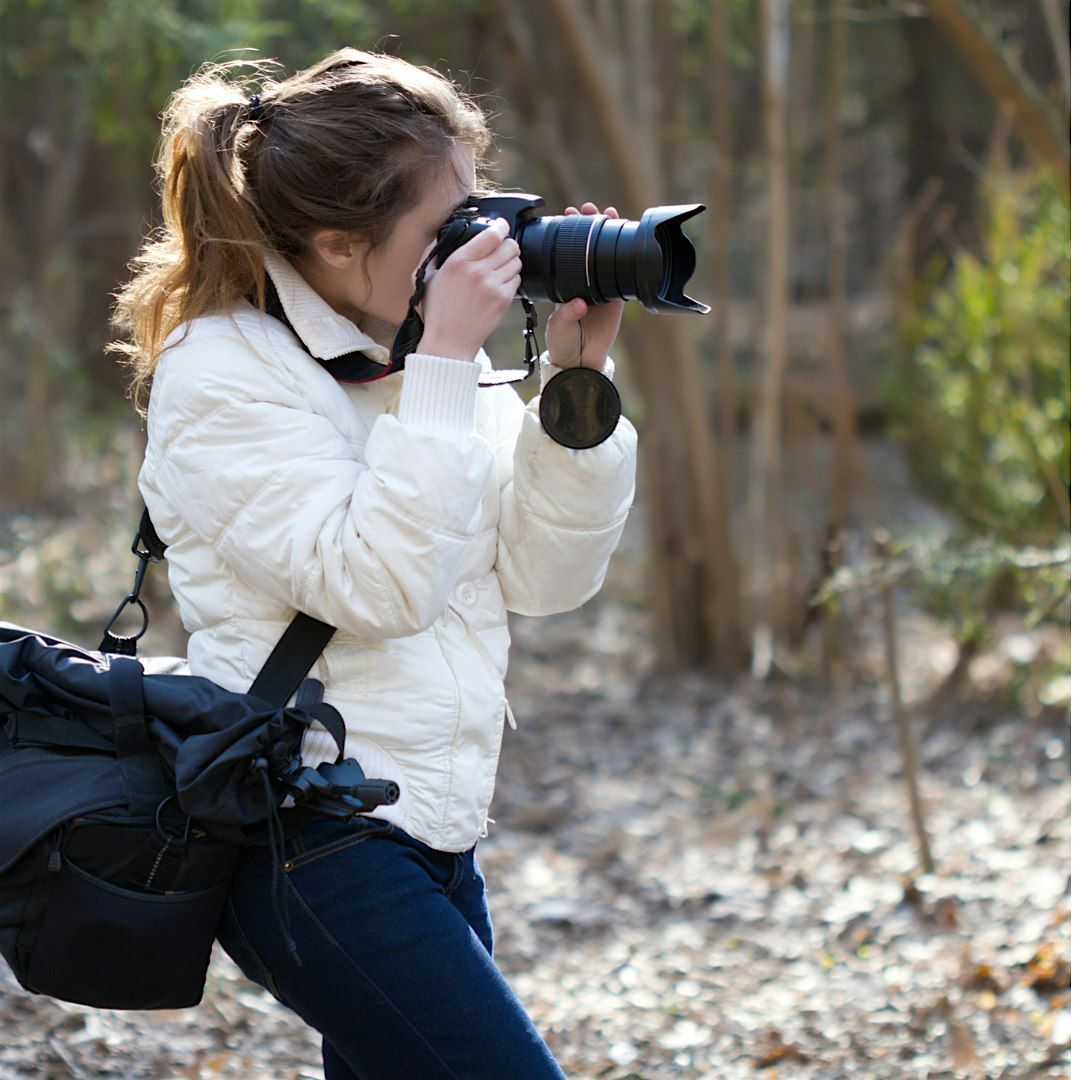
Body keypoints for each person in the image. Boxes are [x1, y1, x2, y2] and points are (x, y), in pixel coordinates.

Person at [108, 47, 637, 1079]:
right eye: (446, 231)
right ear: (339, 245)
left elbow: (543, 581)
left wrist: (578, 385)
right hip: (304, 836)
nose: (480, 249)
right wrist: (442, 362)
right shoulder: (224, 375)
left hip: (435, 823)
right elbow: (381, 588)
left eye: (478, 207)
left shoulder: (430, 351)